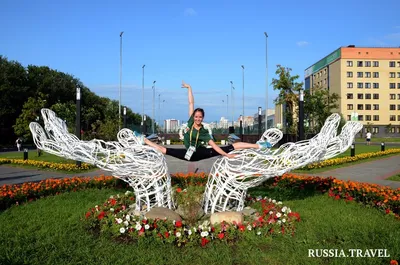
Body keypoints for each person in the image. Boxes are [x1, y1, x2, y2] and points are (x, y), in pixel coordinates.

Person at [139, 81, 271, 162]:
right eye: (196, 116)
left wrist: (226, 155)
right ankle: (144, 140)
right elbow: (191, 103)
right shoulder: (190, 123)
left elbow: (214, 145)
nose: (197, 118)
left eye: (200, 117)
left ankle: (260, 146)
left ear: (203, 118)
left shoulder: (203, 131)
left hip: (201, 154)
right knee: (163, 149)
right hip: (187, 154)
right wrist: (189, 88)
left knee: (233, 146)